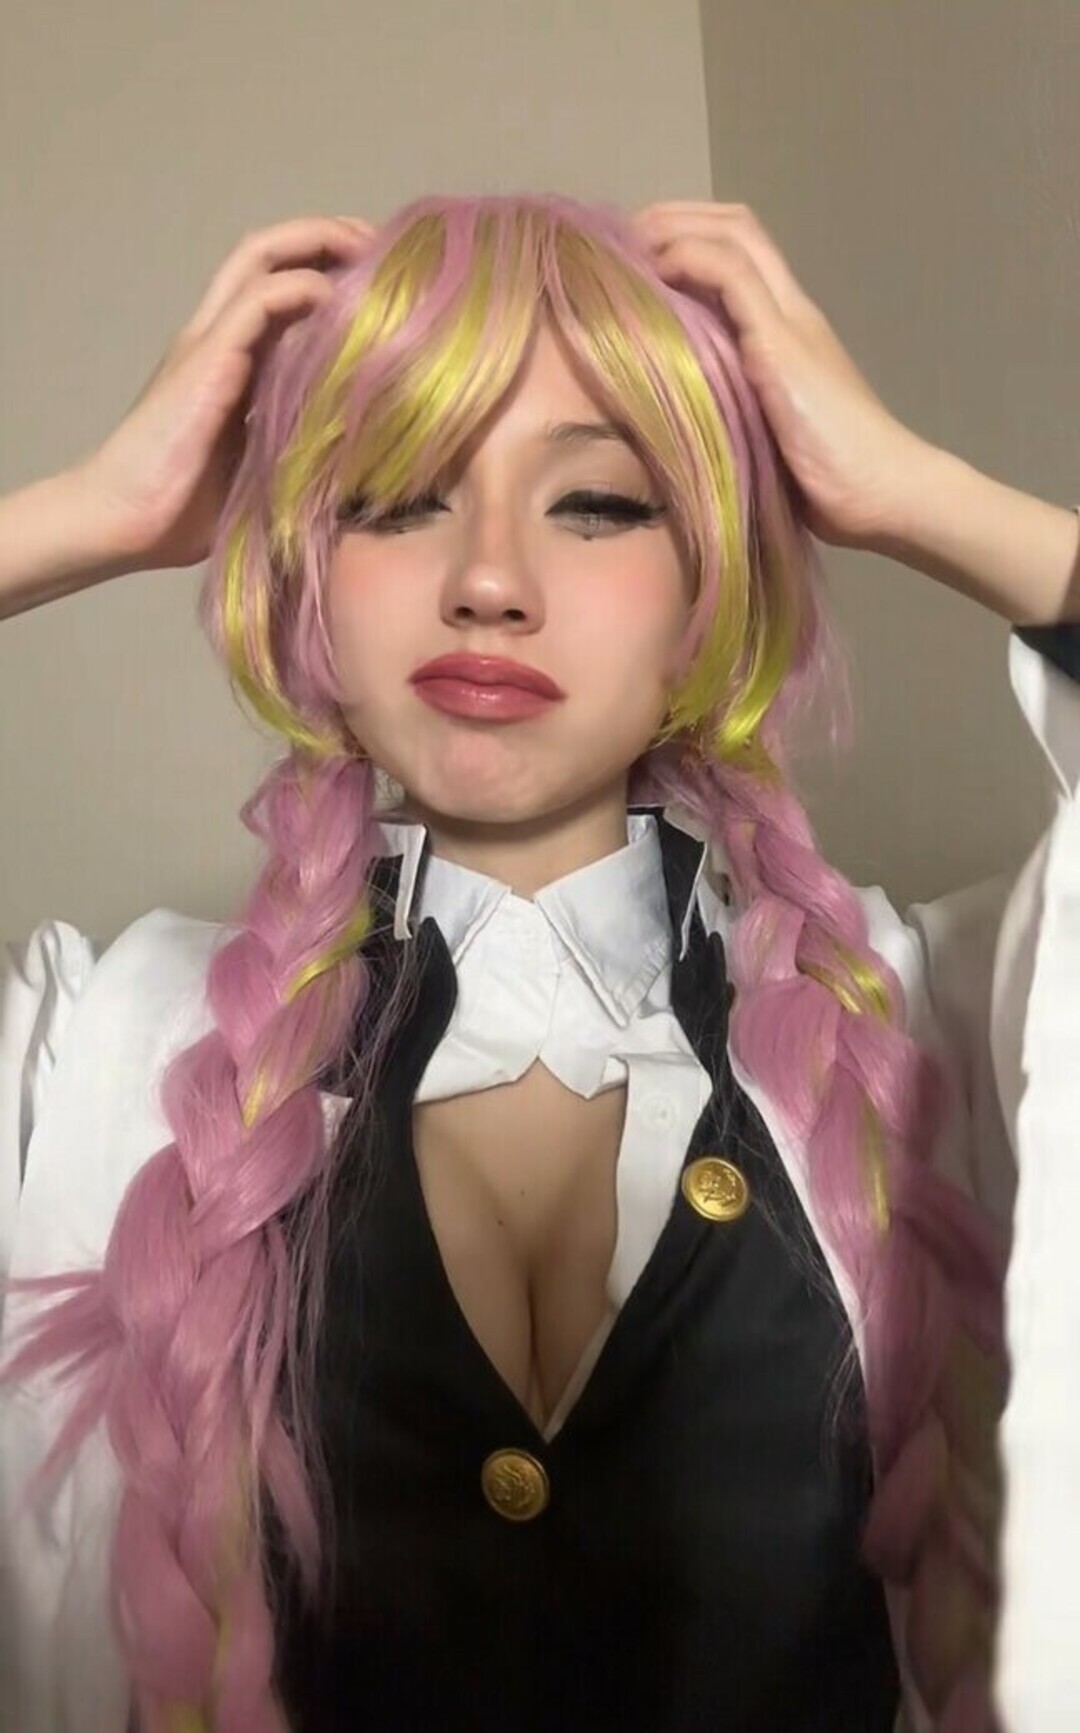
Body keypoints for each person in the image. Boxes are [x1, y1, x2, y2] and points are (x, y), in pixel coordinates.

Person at [0, 192, 1076, 1733]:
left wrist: (922, 493)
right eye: (394, 499)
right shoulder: (80, 1061)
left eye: (599, 503)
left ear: (710, 582)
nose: (490, 579)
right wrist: (89, 510)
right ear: (305, 573)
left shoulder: (965, 1040)